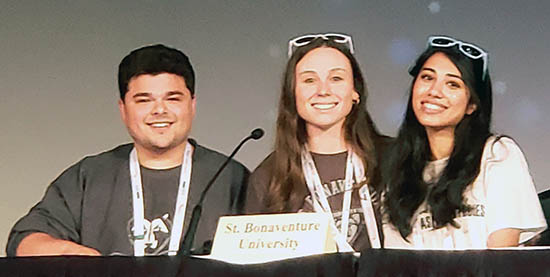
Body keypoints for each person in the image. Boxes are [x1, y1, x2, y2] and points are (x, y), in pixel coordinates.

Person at [6, 44, 249, 257]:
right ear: (123, 109)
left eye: (173, 99)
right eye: (144, 100)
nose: (159, 110)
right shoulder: (89, 176)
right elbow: (24, 242)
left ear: (192, 105)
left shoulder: (231, 177)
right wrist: (76, 256)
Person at [381, 35, 546, 249]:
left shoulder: (497, 155)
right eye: (427, 78)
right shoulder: (398, 172)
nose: (434, 92)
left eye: (453, 84)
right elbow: (397, 266)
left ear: (472, 105)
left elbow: (503, 258)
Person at [244, 33, 389, 252]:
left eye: (336, 79)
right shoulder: (269, 176)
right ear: (292, 94)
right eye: (309, 80)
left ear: (355, 92)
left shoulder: (393, 158)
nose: (323, 90)